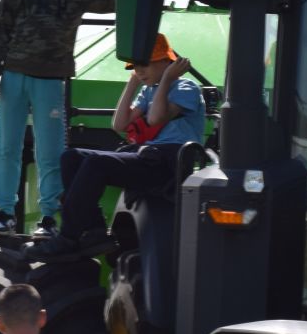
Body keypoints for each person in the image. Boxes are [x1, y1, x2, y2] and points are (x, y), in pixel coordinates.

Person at [0, 0, 116, 240]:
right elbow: (1, 27)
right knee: (5, 147)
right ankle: (4, 213)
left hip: (51, 76)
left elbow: (110, 1)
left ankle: (48, 218)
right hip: (14, 73)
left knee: (50, 149)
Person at [27, 32, 205, 261]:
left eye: (144, 65)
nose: (139, 71)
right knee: (71, 157)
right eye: (135, 67)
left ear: (165, 62)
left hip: (169, 163)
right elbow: (119, 124)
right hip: (147, 157)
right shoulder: (149, 89)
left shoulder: (185, 87)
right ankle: (95, 231)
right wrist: (132, 83)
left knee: (97, 163)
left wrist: (168, 80)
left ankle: (68, 236)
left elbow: (156, 118)